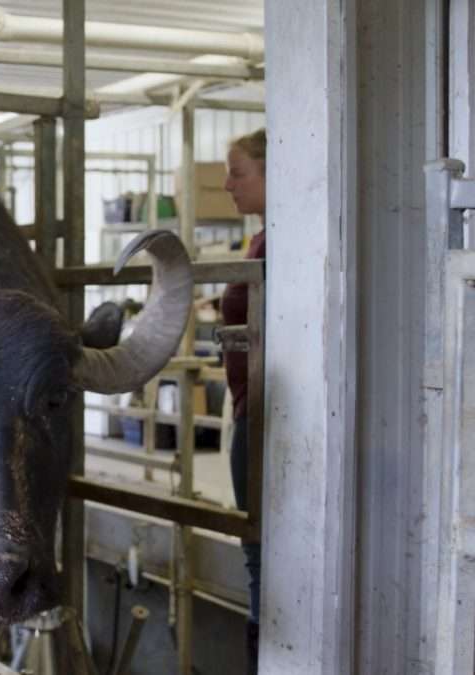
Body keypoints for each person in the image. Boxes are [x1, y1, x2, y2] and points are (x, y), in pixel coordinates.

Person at [221, 127, 266, 674]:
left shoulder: (280, 239)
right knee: (257, 549)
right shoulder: (259, 239)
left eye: (239, 172)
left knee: (259, 549)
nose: (228, 184)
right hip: (252, 406)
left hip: (263, 411)